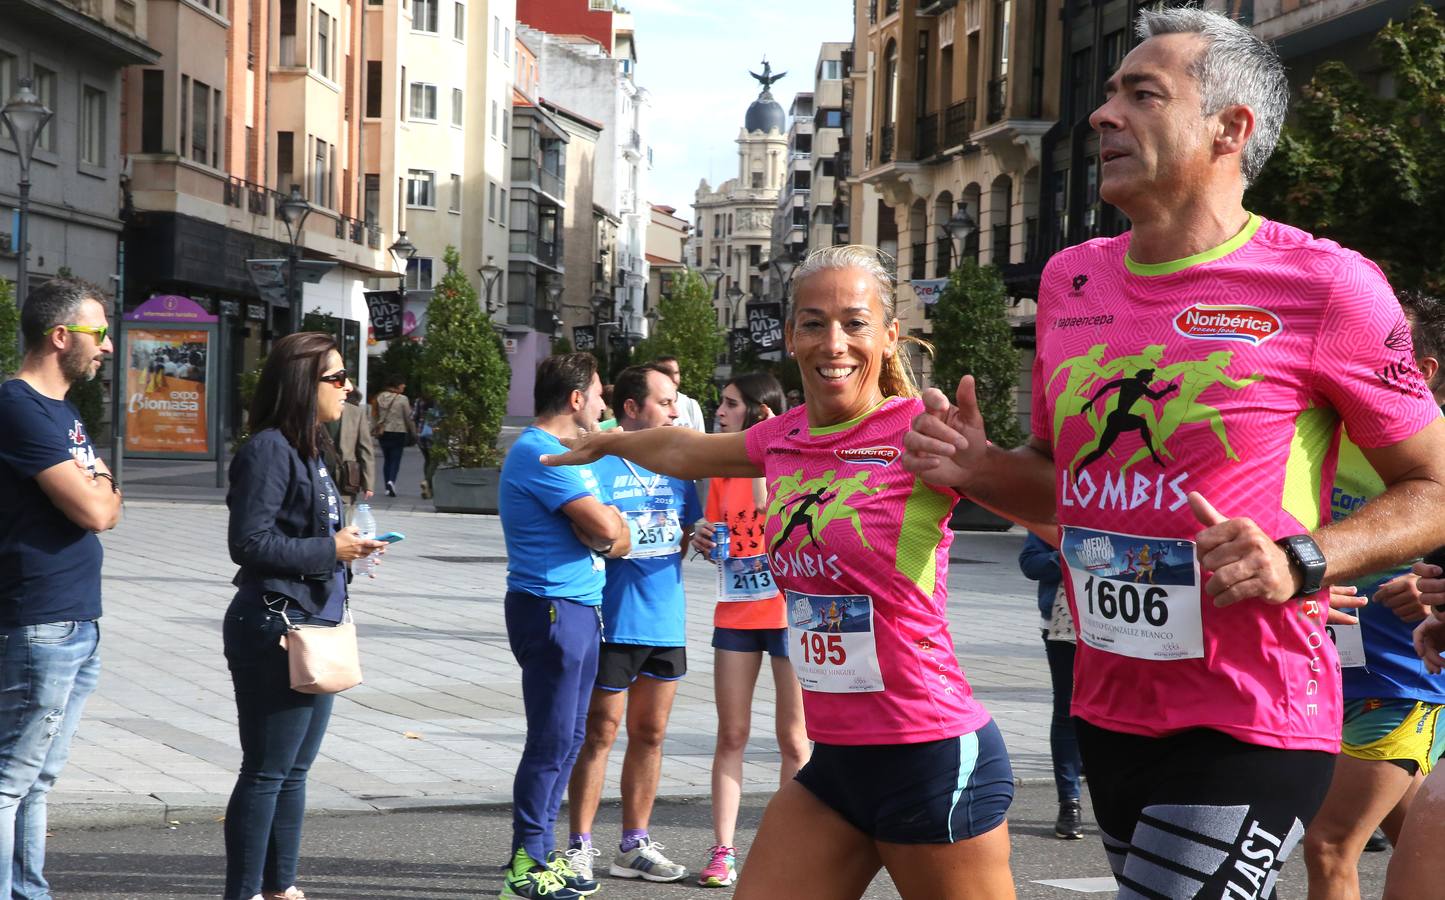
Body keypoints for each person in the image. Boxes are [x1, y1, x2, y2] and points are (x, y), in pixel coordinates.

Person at [900, 9, 1445, 896]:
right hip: (1109, 699)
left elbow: (1434, 484)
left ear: (1231, 129)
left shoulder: (1324, 284)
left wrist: (1300, 557)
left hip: (1252, 709)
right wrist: (976, 466)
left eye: (1141, 94)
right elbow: (1065, 483)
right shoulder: (1069, 279)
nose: (1101, 115)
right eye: (1108, 92)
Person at [544, 245, 1017, 900]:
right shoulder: (783, 437)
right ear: (790, 335)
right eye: (814, 322)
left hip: (929, 754)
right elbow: (686, 448)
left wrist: (987, 468)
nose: (834, 343)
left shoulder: (918, 433)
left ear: (887, 337)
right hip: (837, 766)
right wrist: (607, 442)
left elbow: (1057, 516)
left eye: (854, 323)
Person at [222, 332, 388, 900]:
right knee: (267, 772)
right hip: (276, 626)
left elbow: (305, 533)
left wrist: (351, 547)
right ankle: (244, 892)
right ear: (302, 383)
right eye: (337, 378)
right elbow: (248, 543)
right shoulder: (269, 448)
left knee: (293, 772)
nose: (349, 387)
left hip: (312, 623)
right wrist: (329, 551)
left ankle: (280, 887)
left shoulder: (310, 445)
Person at [1304, 291, 1445, 899]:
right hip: (1323, 670)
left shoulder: (1434, 457)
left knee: (1329, 842)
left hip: (1401, 678)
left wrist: (1431, 587)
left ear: (1425, 371)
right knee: (1422, 838)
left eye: (1375, 350)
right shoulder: (1323, 433)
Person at [0, 277, 120, 899]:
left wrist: (100, 487)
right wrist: (99, 487)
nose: (106, 347)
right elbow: (98, 510)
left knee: (37, 779)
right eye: (98, 334)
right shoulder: (19, 407)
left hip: (76, 619)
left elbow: (106, 497)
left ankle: (30, 893)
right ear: (59, 336)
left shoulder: (64, 412)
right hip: (41, 619)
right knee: (9, 779)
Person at [498, 352, 631, 900]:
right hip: (551, 609)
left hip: (576, 607)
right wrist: (604, 529)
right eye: (598, 394)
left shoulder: (568, 457)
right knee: (552, 741)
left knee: (571, 738)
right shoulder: (541, 454)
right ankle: (524, 866)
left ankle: (541, 855)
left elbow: (617, 538)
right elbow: (607, 527)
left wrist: (605, 531)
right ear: (576, 400)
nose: (601, 405)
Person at [565, 364, 702, 885]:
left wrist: (704, 535)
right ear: (630, 407)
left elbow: (688, 531)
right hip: (611, 618)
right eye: (665, 402)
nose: (674, 410)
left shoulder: (680, 467)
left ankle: (634, 844)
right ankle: (579, 844)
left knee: (651, 733)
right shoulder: (598, 462)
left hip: (666, 617)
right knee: (599, 732)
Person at [688, 371, 810, 888]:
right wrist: (700, 534)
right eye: (721, 403)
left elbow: (773, 509)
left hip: (788, 615)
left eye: (731, 405)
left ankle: (794, 849)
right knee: (732, 733)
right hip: (736, 612)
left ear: (760, 414)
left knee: (794, 738)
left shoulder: (794, 463)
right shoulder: (720, 467)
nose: (719, 411)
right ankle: (722, 850)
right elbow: (716, 531)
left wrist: (765, 457)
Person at [1017, 531, 1084, 841]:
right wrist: (1070, 556)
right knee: (1067, 708)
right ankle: (1069, 802)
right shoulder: (1056, 509)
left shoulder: (1128, 507)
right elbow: (1031, 563)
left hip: (1124, 625)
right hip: (1063, 623)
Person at [326, 389, 375, 512]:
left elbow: (365, 449)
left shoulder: (355, 413)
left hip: (345, 475)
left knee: (346, 515)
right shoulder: (314, 409)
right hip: (320, 471)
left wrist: (368, 483)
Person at [373, 375, 415, 497]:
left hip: (383, 432)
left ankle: (387, 485)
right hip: (399, 431)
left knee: (387, 459)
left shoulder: (379, 397)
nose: (404, 386)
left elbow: (375, 415)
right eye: (403, 384)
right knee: (395, 459)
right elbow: (408, 417)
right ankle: (392, 481)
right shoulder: (402, 399)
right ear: (397, 385)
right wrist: (413, 432)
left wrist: (374, 427)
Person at [652, 356, 705, 432]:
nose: (673, 378)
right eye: (667, 373)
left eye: (676, 373)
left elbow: (701, 440)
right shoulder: (650, 406)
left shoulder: (691, 405)